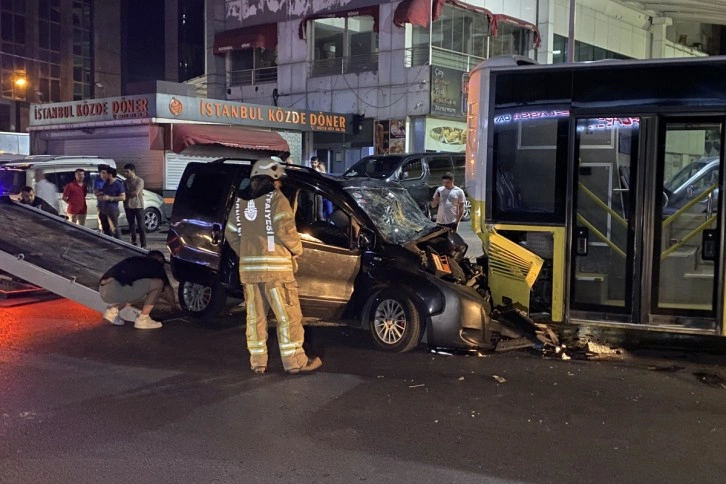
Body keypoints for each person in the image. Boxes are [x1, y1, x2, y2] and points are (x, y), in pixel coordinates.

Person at [224, 158, 322, 375]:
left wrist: (247, 253)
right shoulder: (278, 200)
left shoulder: (240, 204)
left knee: (255, 317)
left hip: (249, 274)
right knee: (288, 316)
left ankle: (258, 362)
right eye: (279, 181)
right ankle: (295, 362)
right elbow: (285, 231)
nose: (280, 185)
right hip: (276, 272)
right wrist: (297, 250)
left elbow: (230, 233)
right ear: (273, 179)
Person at [99, 250, 175, 329]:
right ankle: (143, 319)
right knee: (159, 283)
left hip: (104, 288)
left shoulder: (137, 261)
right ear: (161, 261)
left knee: (138, 292)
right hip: (116, 288)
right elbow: (168, 289)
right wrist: (174, 307)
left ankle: (112, 312)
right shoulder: (156, 265)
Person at [123, 163, 147, 249]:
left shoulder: (139, 180)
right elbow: (123, 194)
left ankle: (143, 244)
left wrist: (126, 194)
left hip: (138, 206)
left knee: (141, 226)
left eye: (127, 171)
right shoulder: (125, 182)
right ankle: (133, 242)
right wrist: (126, 195)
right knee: (131, 225)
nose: (126, 173)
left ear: (132, 171)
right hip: (128, 206)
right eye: (125, 172)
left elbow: (135, 193)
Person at [98, 166, 125, 239]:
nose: (103, 175)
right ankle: (108, 242)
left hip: (112, 210)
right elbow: (105, 193)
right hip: (103, 210)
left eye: (105, 173)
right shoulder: (106, 184)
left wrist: (110, 198)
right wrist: (101, 196)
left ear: (110, 174)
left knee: (114, 229)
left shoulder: (118, 184)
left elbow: (123, 197)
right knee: (105, 228)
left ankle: (119, 244)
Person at [93, 164, 110, 231]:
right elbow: (96, 193)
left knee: (113, 226)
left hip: (111, 205)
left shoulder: (110, 179)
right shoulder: (97, 180)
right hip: (101, 205)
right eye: (103, 172)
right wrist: (104, 192)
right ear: (99, 173)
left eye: (106, 172)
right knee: (103, 224)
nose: (105, 174)